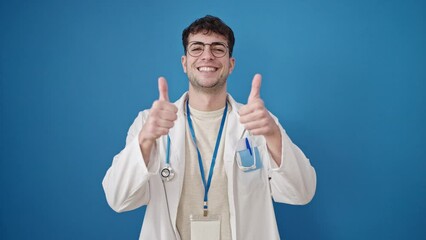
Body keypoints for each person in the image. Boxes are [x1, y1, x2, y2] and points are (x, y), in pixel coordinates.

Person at [102, 15, 316, 240]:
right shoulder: (150, 123)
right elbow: (118, 199)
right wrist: (145, 140)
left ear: (230, 64)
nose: (207, 56)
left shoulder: (258, 122)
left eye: (218, 48)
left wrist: (273, 134)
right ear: (184, 63)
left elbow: (301, 193)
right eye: (197, 48)